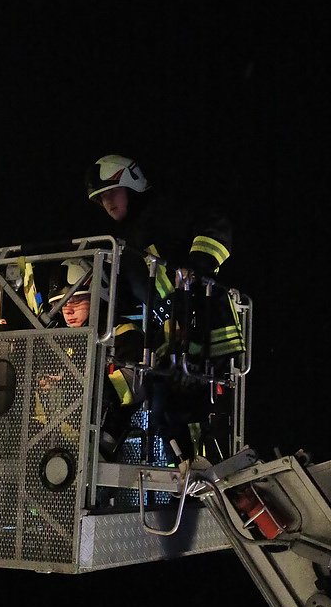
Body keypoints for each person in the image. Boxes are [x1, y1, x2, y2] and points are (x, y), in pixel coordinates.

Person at [84, 153, 245, 466]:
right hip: (173, 340)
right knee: (159, 408)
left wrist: (199, 266)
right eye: (102, 199)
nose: (108, 204)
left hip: (210, 331)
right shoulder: (125, 246)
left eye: (112, 194)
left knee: (200, 411)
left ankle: (210, 471)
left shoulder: (166, 213)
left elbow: (217, 225)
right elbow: (124, 301)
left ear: (131, 185)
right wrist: (127, 336)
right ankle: (109, 448)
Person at [47, 258, 146, 461]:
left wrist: (71, 382)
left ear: (98, 297)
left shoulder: (124, 334)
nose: (68, 311)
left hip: (109, 441)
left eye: (75, 300)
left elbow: (128, 393)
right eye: (60, 304)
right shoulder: (71, 341)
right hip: (65, 441)